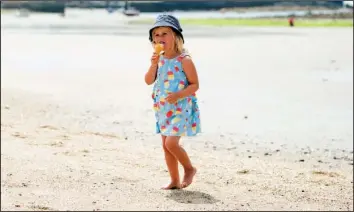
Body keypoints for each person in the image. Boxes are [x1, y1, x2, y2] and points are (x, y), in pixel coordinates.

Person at [144, 14, 201, 190]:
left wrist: (178, 95)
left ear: (175, 36)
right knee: (165, 146)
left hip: (180, 107)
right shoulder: (158, 59)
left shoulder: (185, 60)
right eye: (157, 35)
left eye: (164, 33)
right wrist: (153, 64)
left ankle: (189, 169)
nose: (160, 38)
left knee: (171, 143)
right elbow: (148, 81)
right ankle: (174, 180)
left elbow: (195, 85)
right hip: (162, 108)